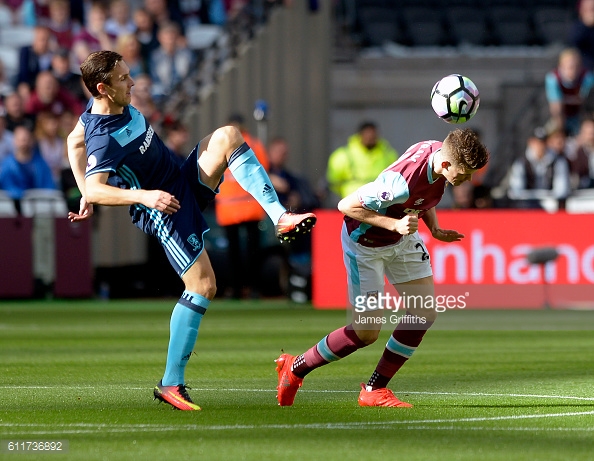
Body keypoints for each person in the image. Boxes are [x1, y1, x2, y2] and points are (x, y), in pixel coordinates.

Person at [66, 50, 316, 411]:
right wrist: (133, 195)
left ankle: (279, 216)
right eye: (123, 79)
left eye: (129, 74)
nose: (132, 83)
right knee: (203, 286)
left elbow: (74, 143)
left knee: (229, 136)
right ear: (103, 88)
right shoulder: (104, 135)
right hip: (163, 207)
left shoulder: (95, 112)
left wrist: (85, 186)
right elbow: (95, 186)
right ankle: (171, 383)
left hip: (180, 179)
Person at [275, 128, 489, 407]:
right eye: (465, 172)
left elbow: (424, 196)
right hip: (365, 243)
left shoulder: (438, 154)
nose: (468, 179)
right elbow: (346, 205)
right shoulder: (398, 184)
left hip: (401, 237)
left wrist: (433, 228)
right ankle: (295, 368)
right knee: (366, 333)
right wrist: (395, 225)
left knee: (423, 312)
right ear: (447, 164)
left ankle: (374, 389)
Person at [214, 113, 269, 299]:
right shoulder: (253, 144)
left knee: (240, 252)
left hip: (238, 207)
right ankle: (249, 288)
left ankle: (241, 288)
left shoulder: (220, 145)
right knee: (249, 252)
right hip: (243, 206)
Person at [326, 121, 398, 199]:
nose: (370, 138)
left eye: (373, 135)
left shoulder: (388, 154)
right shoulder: (343, 155)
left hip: (381, 200)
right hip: (353, 200)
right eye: (367, 134)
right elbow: (334, 182)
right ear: (360, 135)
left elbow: (396, 179)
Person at [508, 126, 571, 209]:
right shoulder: (521, 163)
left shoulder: (558, 161)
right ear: (530, 142)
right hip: (527, 207)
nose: (540, 146)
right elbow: (516, 191)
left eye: (543, 142)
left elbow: (561, 190)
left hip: (551, 207)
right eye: (537, 142)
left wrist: (545, 198)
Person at [545, 48, 594, 137]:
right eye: (570, 67)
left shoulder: (587, 77)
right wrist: (561, 131)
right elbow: (556, 107)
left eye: (576, 66)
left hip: (580, 116)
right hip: (561, 117)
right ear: (561, 67)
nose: (573, 71)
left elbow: (586, 103)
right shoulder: (553, 79)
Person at [0, 124, 56, 201]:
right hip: (14, 206)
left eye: (27, 139)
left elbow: (49, 186)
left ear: (32, 140)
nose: (24, 143)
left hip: (39, 205)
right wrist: (24, 195)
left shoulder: (41, 164)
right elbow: (7, 187)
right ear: (14, 141)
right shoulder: (7, 165)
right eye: (21, 140)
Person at [568, 0, 594, 72]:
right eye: (587, 9)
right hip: (585, 67)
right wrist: (586, 25)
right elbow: (574, 41)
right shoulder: (578, 26)